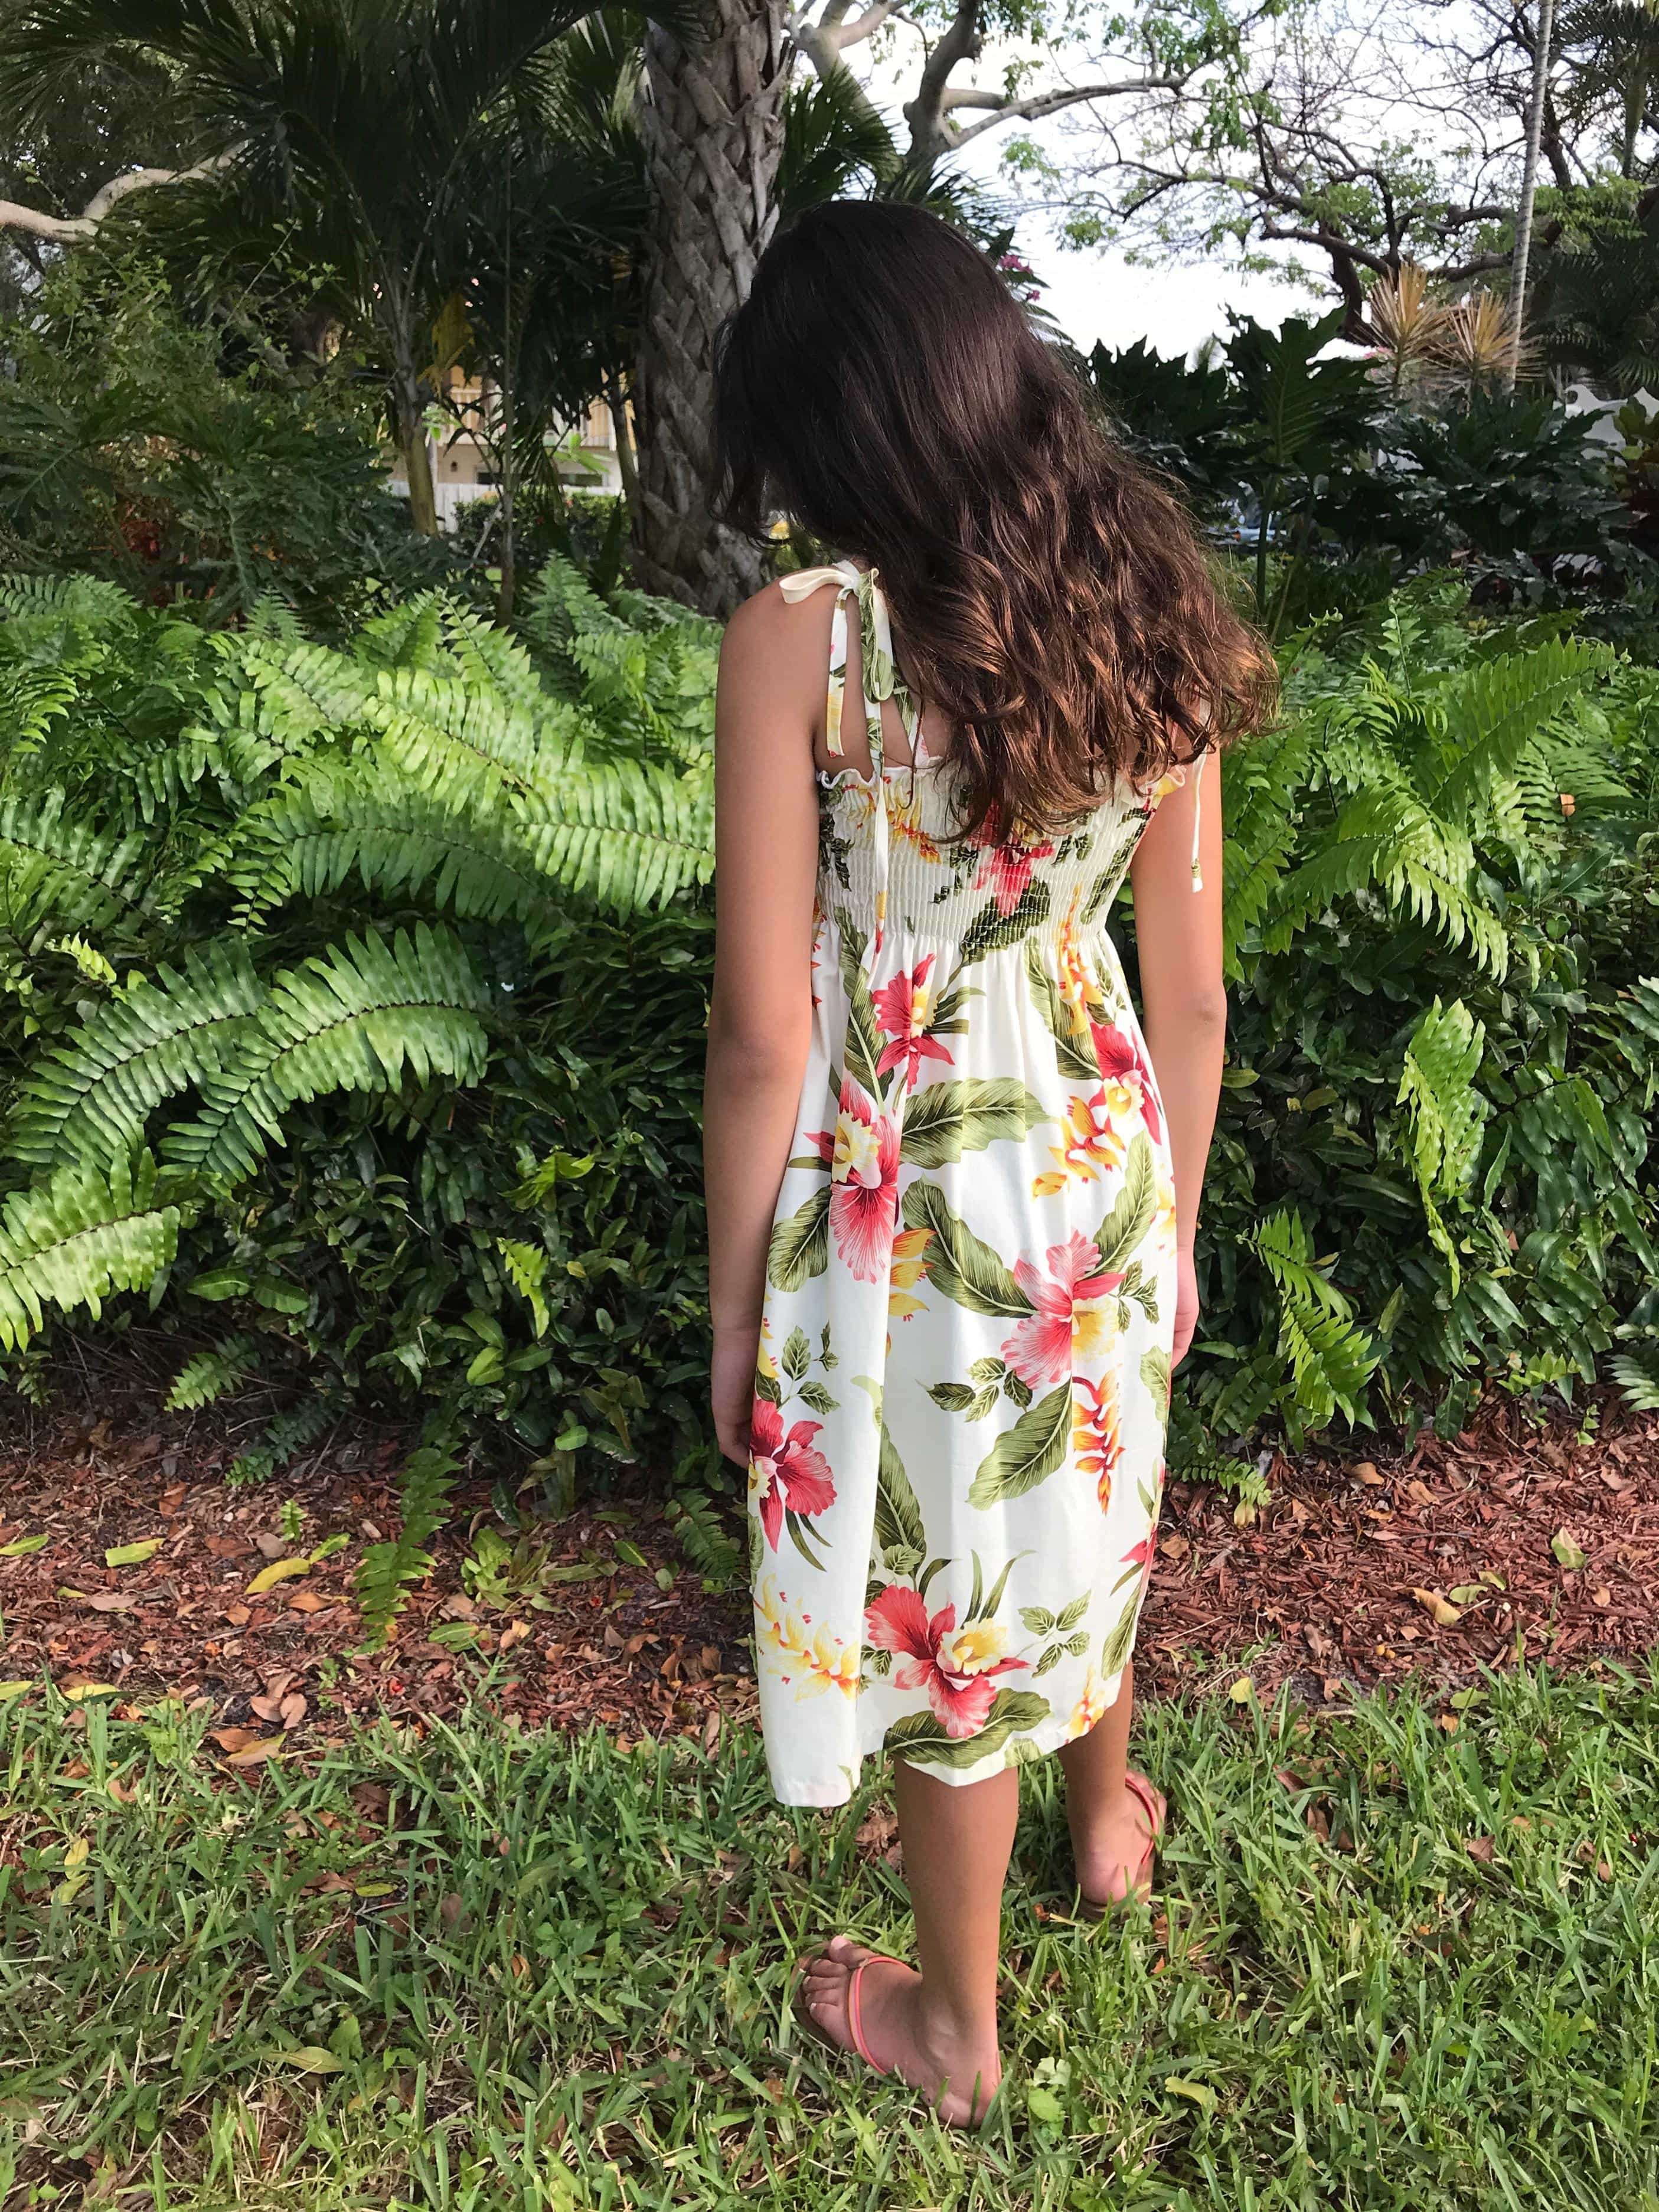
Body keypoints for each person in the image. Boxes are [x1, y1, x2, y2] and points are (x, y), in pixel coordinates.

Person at [701, 200, 1275, 2126]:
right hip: (1105, 1154)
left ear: (838, 424)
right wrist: (1174, 1220)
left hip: (916, 1196)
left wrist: (734, 1322)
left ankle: (954, 2029)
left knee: (954, 1597)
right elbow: (1192, 999)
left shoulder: (804, 645)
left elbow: (763, 1035)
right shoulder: (1151, 604)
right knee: (1088, 1500)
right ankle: (1103, 1828)